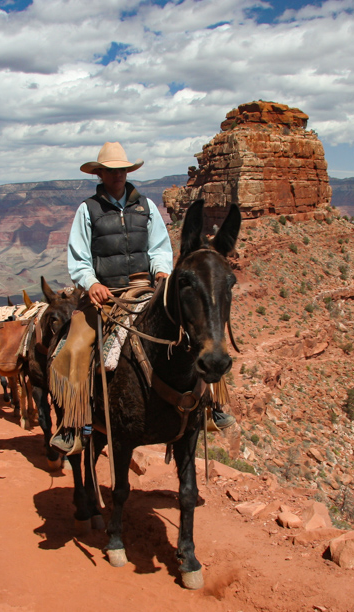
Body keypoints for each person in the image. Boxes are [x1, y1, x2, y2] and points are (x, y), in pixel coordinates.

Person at [49, 142, 236, 455]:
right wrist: (91, 283)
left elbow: (160, 248)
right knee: (75, 346)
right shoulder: (88, 210)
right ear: (101, 174)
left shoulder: (146, 207)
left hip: (145, 287)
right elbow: (78, 257)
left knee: (196, 329)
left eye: (122, 169)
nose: (117, 175)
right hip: (103, 294)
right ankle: (72, 423)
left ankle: (212, 404)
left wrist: (162, 272)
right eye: (111, 170)